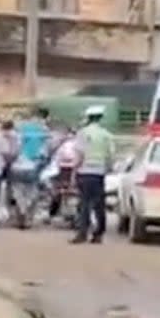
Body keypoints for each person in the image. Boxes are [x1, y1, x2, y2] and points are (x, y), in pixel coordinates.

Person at [71, 104, 115, 244]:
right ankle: (99, 233)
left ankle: (82, 233)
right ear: (100, 118)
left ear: (88, 118)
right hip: (99, 173)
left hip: (84, 172)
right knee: (99, 205)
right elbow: (111, 156)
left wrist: (74, 172)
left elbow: (79, 154)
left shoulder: (82, 133)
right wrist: (107, 169)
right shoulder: (106, 135)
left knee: (84, 204)